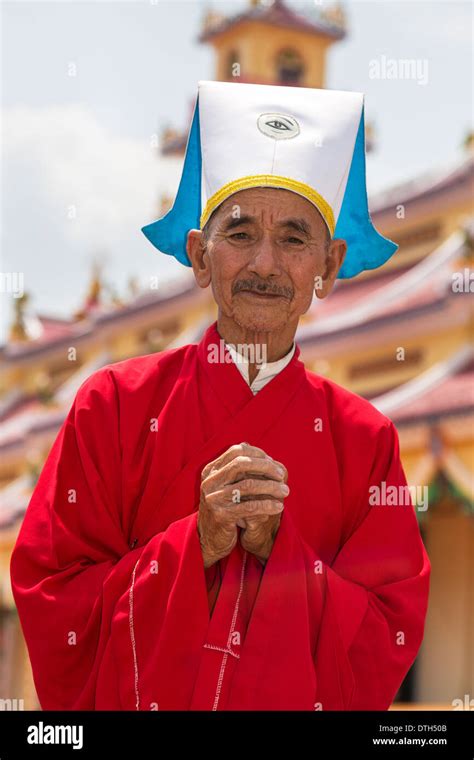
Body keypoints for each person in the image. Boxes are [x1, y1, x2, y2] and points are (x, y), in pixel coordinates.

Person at [10, 80, 430, 711]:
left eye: (293, 238)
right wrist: (192, 546)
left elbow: (387, 634)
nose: (265, 262)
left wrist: (279, 556)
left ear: (330, 266)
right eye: (238, 234)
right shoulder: (114, 406)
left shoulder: (364, 440)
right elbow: (52, 598)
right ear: (200, 259)